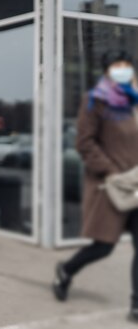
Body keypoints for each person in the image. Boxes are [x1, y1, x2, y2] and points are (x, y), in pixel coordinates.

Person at [53, 49, 138, 322]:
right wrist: (111, 171)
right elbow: (85, 144)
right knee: (104, 246)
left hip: (137, 184)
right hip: (109, 184)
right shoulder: (95, 101)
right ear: (107, 71)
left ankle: (136, 304)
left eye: (127, 66)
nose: (123, 70)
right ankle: (66, 269)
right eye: (117, 66)